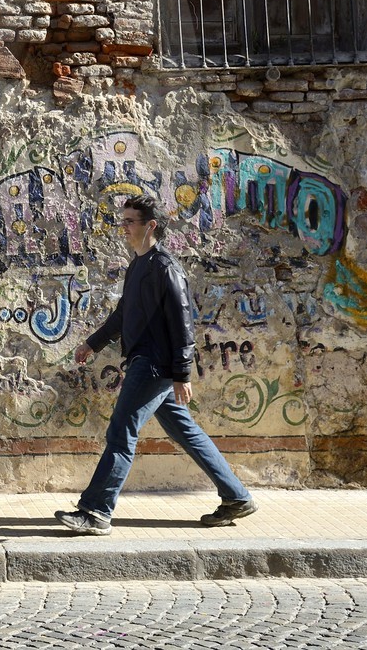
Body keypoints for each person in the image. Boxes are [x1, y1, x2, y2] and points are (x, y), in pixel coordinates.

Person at [55, 194, 256, 535]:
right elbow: (122, 314)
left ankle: (96, 512)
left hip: (153, 365)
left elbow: (183, 323)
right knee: (185, 431)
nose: (124, 228)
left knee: (121, 431)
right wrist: (93, 343)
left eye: (129, 222)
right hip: (147, 361)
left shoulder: (165, 268)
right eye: (123, 221)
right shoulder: (138, 264)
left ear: (150, 226)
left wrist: (181, 374)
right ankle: (236, 497)